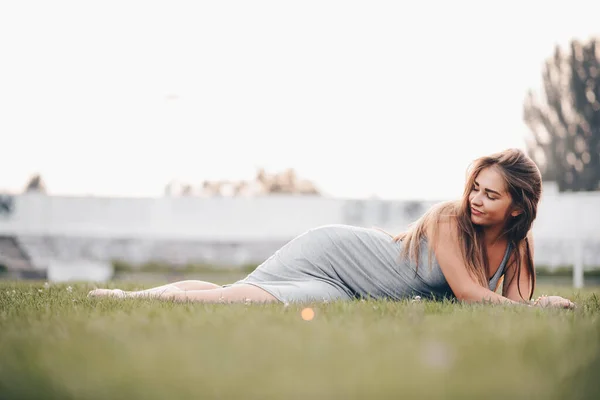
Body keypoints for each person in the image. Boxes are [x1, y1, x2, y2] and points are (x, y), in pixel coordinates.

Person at [88, 148, 576, 309]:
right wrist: (539, 312)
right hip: (337, 255)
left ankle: (142, 298)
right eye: (476, 187)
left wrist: (536, 307)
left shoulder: (518, 246)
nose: (475, 199)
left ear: (518, 208)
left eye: (491, 195)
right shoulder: (450, 219)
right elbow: (472, 296)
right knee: (236, 296)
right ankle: (129, 300)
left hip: (350, 293)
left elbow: (510, 307)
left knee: (248, 301)